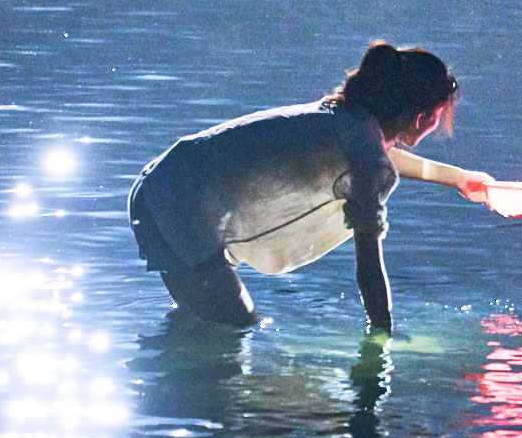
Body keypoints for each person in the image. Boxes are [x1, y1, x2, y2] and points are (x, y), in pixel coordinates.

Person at [128, 42, 496, 330]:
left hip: (161, 185)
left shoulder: (345, 120)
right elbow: (368, 265)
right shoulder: (363, 151)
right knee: (237, 329)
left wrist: (460, 180)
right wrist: (381, 334)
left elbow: (377, 160)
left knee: (200, 321)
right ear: (423, 117)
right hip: (177, 206)